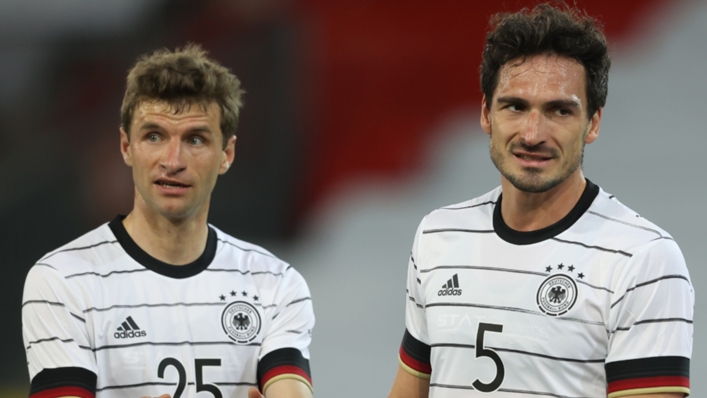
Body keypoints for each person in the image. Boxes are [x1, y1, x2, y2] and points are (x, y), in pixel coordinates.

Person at [388, 4, 693, 398]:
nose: (533, 133)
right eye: (515, 106)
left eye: (559, 111)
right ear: (485, 113)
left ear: (593, 123)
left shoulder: (645, 260)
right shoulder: (438, 235)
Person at [22, 44, 314, 398]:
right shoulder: (62, 280)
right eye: (155, 136)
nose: (172, 160)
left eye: (195, 139)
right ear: (127, 147)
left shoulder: (277, 285)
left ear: (227, 154)